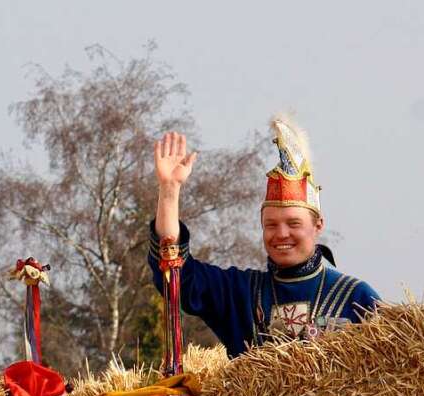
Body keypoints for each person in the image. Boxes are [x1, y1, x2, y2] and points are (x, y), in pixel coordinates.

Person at [148, 117, 380, 359]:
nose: (281, 234)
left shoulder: (356, 298)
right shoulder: (241, 293)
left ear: (318, 224)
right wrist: (169, 190)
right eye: (271, 225)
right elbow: (175, 273)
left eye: (293, 223)